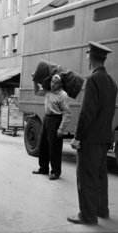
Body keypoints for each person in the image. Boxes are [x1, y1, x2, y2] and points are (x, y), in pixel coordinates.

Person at [67, 41, 117, 225]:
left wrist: (77, 137)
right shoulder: (112, 82)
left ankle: (87, 215)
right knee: (100, 177)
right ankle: (101, 210)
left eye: (88, 57)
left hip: (90, 140)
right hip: (104, 138)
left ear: (91, 58)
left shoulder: (93, 80)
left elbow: (87, 113)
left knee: (86, 177)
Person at [32, 74, 71, 180]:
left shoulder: (63, 95)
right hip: (46, 119)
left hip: (56, 120)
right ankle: (43, 168)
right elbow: (36, 92)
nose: (53, 84)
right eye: (52, 82)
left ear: (61, 84)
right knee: (43, 145)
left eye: (56, 83)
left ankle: (56, 172)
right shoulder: (48, 91)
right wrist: (35, 81)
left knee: (55, 148)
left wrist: (61, 128)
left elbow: (67, 114)